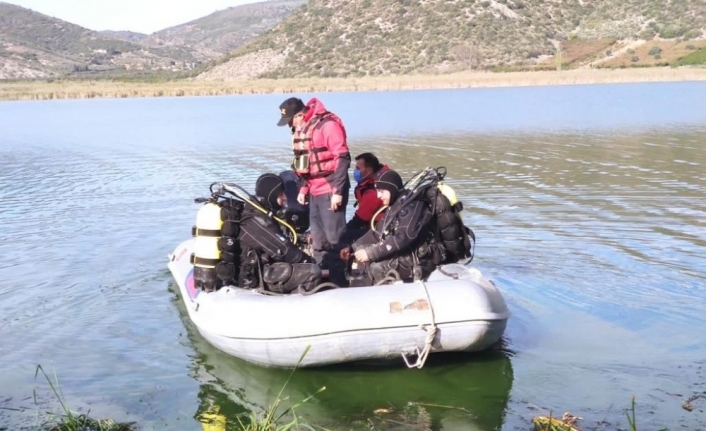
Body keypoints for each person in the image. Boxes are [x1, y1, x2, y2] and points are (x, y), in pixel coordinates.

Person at [277, 97, 351, 286]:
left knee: (335, 240)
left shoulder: (327, 126)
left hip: (330, 189)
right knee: (317, 241)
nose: (289, 126)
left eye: (290, 121)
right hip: (314, 190)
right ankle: (320, 281)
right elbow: (305, 163)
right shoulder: (304, 128)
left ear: (300, 115)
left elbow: (342, 157)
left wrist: (338, 191)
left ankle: (341, 283)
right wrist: (303, 188)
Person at [342, 170, 445, 284]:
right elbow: (377, 233)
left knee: (377, 267)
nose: (378, 195)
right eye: (377, 191)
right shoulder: (395, 205)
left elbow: (402, 238)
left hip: (423, 258)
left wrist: (370, 254)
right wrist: (353, 248)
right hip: (407, 252)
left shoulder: (413, 206)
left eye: (381, 191)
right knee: (359, 262)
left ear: (392, 189)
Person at [235, 173, 322, 293]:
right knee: (312, 272)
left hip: (261, 267)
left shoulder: (259, 211)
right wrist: (309, 261)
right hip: (254, 276)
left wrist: (302, 238)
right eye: (281, 194)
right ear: (271, 196)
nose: (285, 198)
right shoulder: (256, 220)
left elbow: (277, 238)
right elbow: (284, 250)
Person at [343, 152, 389, 244]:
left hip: (379, 231)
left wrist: (340, 232)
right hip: (377, 226)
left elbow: (359, 220)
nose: (355, 172)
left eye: (358, 168)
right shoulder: (378, 182)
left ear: (369, 170)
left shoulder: (373, 192)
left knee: (344, 235)